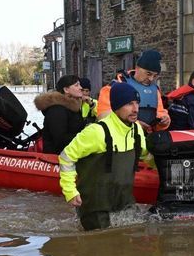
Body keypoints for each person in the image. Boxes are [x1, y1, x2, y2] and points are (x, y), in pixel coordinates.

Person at [59, 82, 155, 231]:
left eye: (137, 103)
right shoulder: (97, 132)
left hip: (124, 202)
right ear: (116, 107)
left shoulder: (136, 130)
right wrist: (70, 191)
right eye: (129, 104)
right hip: (95, 207)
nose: (135, 109)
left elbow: (146, 155)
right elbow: (66, 157)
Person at [97, 49, 170, 132]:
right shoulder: (114, 87)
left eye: (155, 76)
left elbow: (160, 112)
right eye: (148, 73)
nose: (151, 78)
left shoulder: (155, 90)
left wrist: (164, 120)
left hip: (147, 139)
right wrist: (136, 124)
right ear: (137, 68)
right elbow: (103, 117)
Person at [34, 75, 88, 154]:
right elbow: (60, 140)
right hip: (57, 158)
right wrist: (86, 137)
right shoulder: (57, 110)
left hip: (72, 153)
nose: (81, 88)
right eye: (76, 85)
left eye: (80, 85)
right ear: (66, 90)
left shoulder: (73, 107)